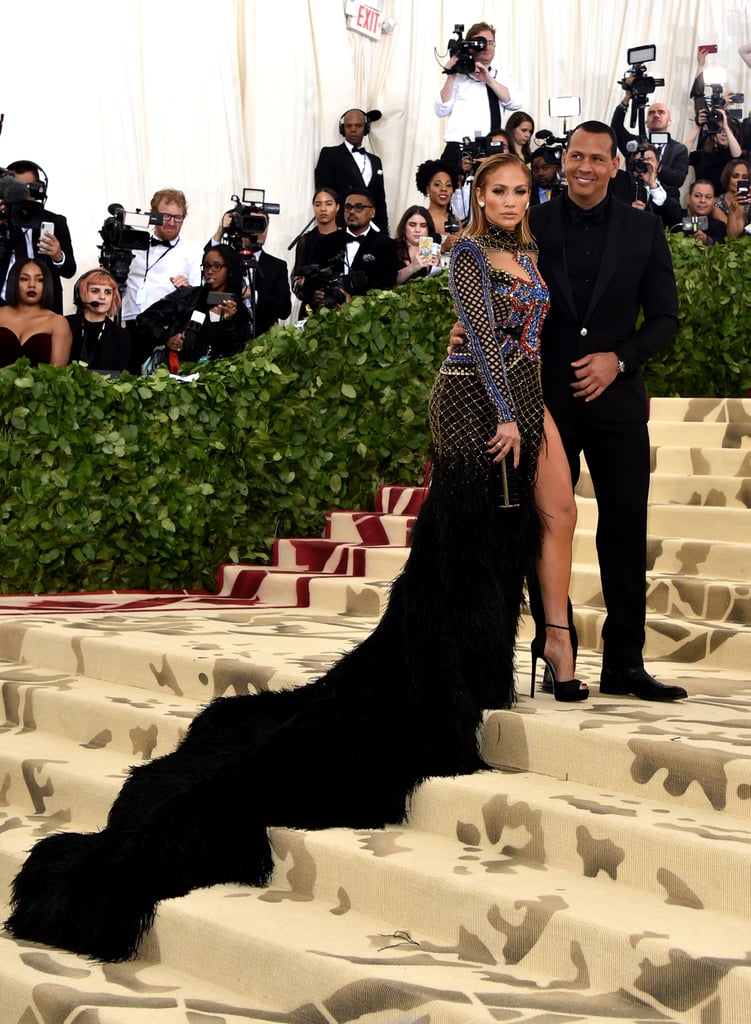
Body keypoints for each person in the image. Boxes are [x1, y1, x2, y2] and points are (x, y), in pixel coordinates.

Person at [4, 153, 581, 965]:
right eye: (497, 191)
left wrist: (532, 407)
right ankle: (455, 679)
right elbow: (482, 340)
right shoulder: (465, 255)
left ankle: (488, 664)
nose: (510, 201)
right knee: (463, 543)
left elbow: (530, 336)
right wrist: (506, 411)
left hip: (524, 397)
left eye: (521, 190)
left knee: (508, 537)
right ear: (477, 198)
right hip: (473, 399)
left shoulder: (528, 256)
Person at [528, 121, 686, 702]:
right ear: (564, 160)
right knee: (545, 525)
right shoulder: (534, 224)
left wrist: (618, 359)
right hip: (547, 400)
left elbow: (665, 319)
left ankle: (626, 662)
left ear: (615, 164)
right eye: (576, 156)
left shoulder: (645, 229)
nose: (585, 167)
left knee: (624, 528)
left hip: (617, 400)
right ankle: (556, 648)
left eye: (597, 157)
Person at [136, 244, 250, 372]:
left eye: (217, 266)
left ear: (230, 270)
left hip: (215, 378)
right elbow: (145, 319)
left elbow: (236, 352)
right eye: (206, 266)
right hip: (177, 372)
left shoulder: (237, 309)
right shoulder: (187, 295)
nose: (210, 271)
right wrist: (167, 337)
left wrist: (228, 322)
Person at [434, 21, 523, 174]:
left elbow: (515, 103)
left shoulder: (500, 76)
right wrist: (450, 75)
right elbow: (441, 110)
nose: (486, 47)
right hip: (459, 148)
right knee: (456, 195)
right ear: (470, 46)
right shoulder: (457, 76)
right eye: (480, 43)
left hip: (491, 148)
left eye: (490, 42)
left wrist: (489, 80)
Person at [0, 159, 77, 315]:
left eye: (27, 189)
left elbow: (70, 270)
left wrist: (58, 256)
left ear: (39, 190)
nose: (21, 195)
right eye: (16, 189)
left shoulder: (56, 221)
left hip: (45, 308)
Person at [121, 189, 203, 326]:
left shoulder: (193, 251)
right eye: (166, 216)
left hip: (166, 328)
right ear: (154, 215)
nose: (172, 223)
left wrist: (187, 290)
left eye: (178, 217)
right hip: (131, 322)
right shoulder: (133, 245)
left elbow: (199, 297)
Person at [315, 109, 389, 234]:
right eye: (349, 126)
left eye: (358, 126)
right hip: (342, 227)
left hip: (372, 229)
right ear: (342, 129)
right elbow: (324, 194)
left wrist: (384, 232)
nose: (353, 129)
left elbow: (380, 201)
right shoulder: (330, 154)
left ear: (366, 128)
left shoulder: (375, 161)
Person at [610, 96, 688, 200]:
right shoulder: (635, 144)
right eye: (651, 113)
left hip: (666, 204)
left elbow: (678, 179)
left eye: (661, 112)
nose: (656, 115)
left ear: (669, 120)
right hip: (634, 199)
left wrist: (655, 167)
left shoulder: (679, 149)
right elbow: (616, 129)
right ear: (646, 122)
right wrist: (626, 100)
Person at [0, 259, 71, 367]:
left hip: (43, 383)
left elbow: (57, 373)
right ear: (14, 281)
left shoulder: (58, 322)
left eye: (40, 280)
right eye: (24, 279)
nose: (32, 285)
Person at [66, 269, 133, 373]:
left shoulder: (121, 335)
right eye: (95, 291)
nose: (102, 297)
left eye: (108, 292)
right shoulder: (66, 324)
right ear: (81, 294)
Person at [291, 188, 347, 311]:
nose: (323, 209)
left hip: (342, 307)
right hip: (311, 309)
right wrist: (308, 291)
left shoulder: (347, 239)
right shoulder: (305, 240)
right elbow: (296, 278)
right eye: (318, 204)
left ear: (337, 207)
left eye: (328, 204)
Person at [609, 144, 683, 230]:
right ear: (632, 165)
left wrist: (653, 185)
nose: (644, 164)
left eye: (649, 160)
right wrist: (628, 208)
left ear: (659, 167)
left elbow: (676, 217)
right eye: (639, 161)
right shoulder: (618, 181)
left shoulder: (670, 191)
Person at [415, 159, 460, 250]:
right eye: (437, 184)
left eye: (448, 185)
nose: (444, 189)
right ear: (428, 189)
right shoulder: (422, 220)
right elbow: (423, 256)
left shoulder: (456, 222)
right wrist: (443, 247)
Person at [394, 205, 441, 284]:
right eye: (412, 225)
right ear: (404, 226)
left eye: (423, 226)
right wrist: (412, 267)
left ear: (429, 229)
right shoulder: (391, 247)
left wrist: (437, 268)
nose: (417, 230)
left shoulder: (433, 249)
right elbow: (387, 282)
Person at [671, 180, 726, 245]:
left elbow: (719, 245)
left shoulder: (718, 226)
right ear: (688, 199)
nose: (702, 200)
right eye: (697, 196)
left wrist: (706, 240)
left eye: (708, 197)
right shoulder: (674, 218)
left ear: (714, 201)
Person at [712, 158, 751, 238]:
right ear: (728, 178)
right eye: (735, 176)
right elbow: (732, 236)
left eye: (744, 177)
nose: (740, 180)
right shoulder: (718, 204)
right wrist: (732, 213)